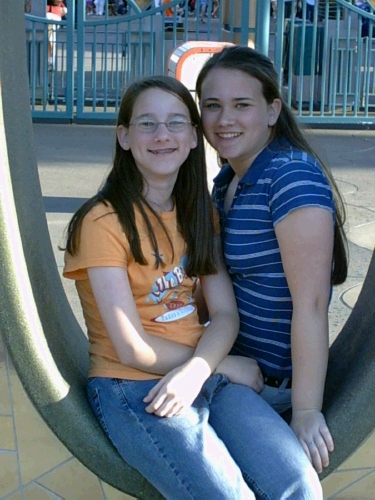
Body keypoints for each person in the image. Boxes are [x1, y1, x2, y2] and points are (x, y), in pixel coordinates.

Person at [63, 75, 322, 499]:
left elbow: (224, 313)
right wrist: (218, 365)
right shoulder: (103, 222)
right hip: (134, 386)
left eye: (176, 123)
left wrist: (201, 371)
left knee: (298, 484)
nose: (163, 135)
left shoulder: (198, 214)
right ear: (124, 137)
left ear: (194, 137)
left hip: (203, 375)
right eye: (147, 124)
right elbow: (132, 347)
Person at [196, 46, 348, 476]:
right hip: (234, 366)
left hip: (269, 386)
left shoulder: (289, 177)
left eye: (242, 105)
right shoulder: (228, 179)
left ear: (272, 110)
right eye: (212, 106)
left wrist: (305, 411)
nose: (225, 120)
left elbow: (312, 305)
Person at [46, 0, 67, 70]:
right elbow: (65, 10)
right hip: (55, 15)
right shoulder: (60, 3)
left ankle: (50, 60)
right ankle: (51, 60)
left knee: (48, 39)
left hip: (47, 14)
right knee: (51, 39)